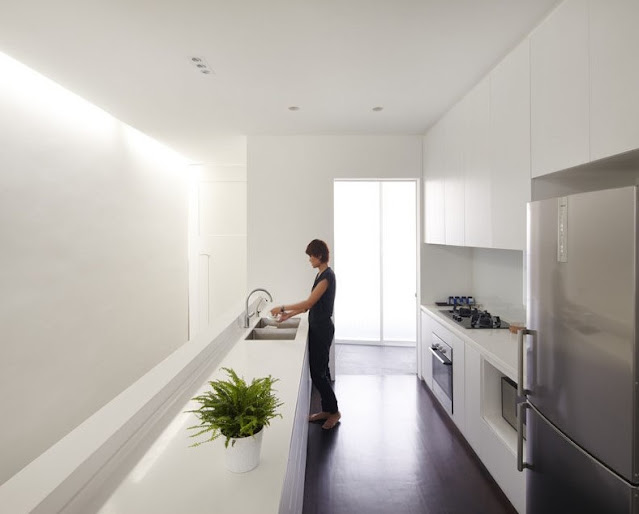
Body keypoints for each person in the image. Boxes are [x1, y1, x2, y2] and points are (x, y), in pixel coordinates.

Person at [271, 239, 341, 430]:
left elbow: (309, 303)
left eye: (311, 256)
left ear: (318, 256)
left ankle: (334, 412)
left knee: (318, 374)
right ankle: (327, 410)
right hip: (318, 328)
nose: (309, 260)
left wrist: (283, 307)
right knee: (321, 371)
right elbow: (311, 306)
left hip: (323, 329)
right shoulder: (320, 275)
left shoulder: (327, 277)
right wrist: (289, 315)